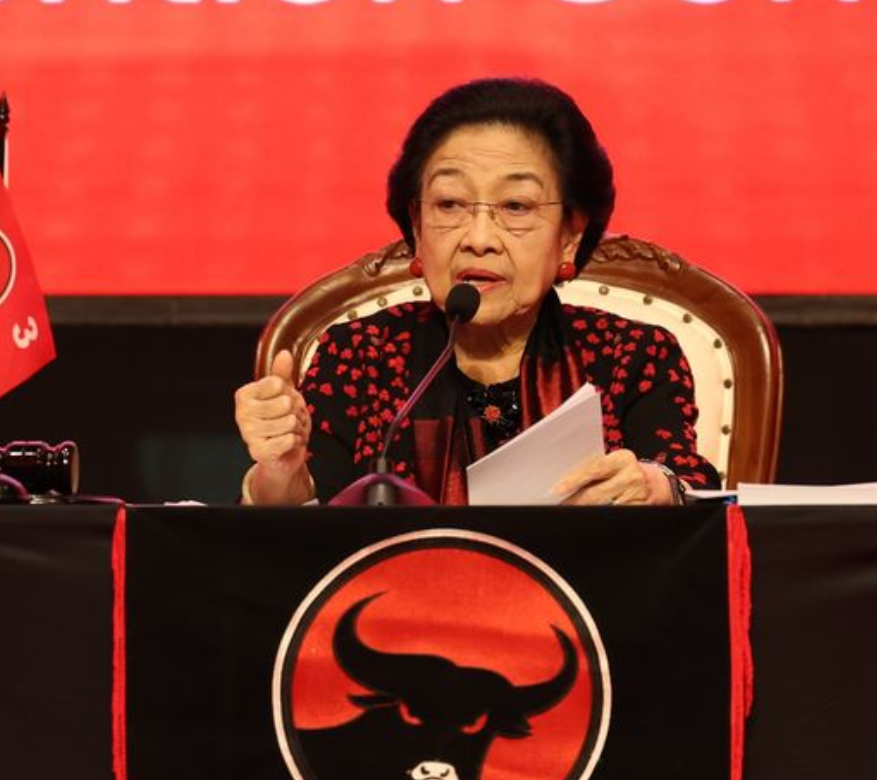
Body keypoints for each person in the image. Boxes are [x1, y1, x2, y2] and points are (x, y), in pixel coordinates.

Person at [234, 77, 720, 506]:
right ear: (417, 226)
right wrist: (280, 475)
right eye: (450, 204)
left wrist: (654, 487)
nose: (479, 238)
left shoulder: (631, 355)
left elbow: (690, 488)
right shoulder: (361, 355)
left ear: (570, 236)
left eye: (516, 206)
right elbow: (311, 522)